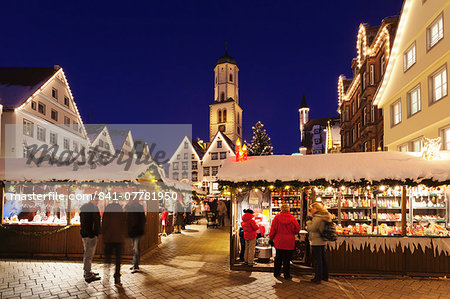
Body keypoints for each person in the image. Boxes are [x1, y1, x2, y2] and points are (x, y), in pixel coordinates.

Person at [269, 204, 300, 280]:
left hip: (279, 240)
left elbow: (273, 229)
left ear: (281, 209)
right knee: (287, 259)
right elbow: (297, 229)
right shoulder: (293, 218)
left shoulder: (276, 218)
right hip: (289, 241)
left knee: (278, 257)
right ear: (289, 210)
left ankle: (276, 273)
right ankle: (287, 275)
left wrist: (271, 237)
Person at [306, 202, 332, 284]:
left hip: (316, 241)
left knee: (318, 260)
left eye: (312, 208)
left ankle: (318, 278)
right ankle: (325, 276)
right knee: (323, 259)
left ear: (317, 209)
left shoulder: (317, 218)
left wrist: (308, 221)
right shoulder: (324, 216)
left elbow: (312, 228)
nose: (311, 210)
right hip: (322, 240)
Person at [102, 202, 126, 284]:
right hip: (118, 238)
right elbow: (124, 223)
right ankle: (117, 276)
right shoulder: (120, 209)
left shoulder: (108, 209)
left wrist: (104, 234)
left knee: (108, 257)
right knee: (118, 259)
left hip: (109, 238)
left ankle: (106, 275)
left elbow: (104, 223)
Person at [80, 200, 101, 283]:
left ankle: (87, 271)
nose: (97, 201)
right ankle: (88, 274)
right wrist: (92, 234)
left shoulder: (87, 208)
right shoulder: (90, 209)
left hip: (87, 235)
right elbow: (89, 223)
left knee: (88, 254)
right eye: (96, 199)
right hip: (89, 236)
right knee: (89, 254)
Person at [125, 200, 146, 273]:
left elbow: (143, 219)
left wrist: (140, 229)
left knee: (136, 248)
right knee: (134, 248)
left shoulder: (139, 207)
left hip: (137, 231)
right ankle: (134, 264)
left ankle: (136, 265)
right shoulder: (129, 207)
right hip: (132, 231)